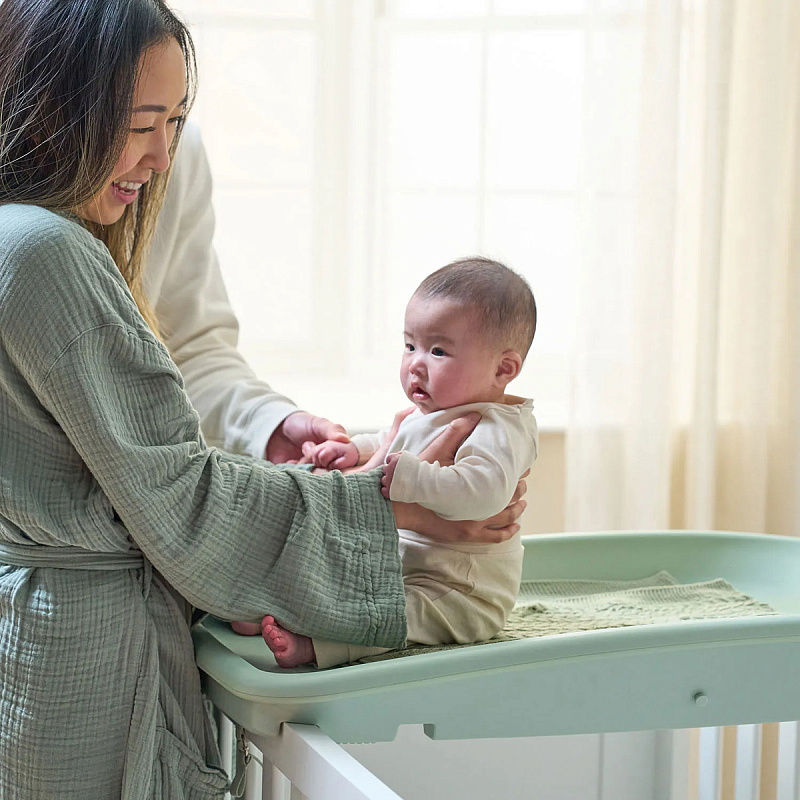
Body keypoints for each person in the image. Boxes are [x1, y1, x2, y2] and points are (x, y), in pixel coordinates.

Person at [0, 2, 525, 798]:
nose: (163, 156)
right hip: (88, 662)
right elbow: (179, 498)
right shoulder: (48, 252)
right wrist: (392, 506)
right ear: (52, 106)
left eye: (176, 122)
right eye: (142, 124)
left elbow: (186, 355)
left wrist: (270, 426)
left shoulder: (32, 236)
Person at [254, 257, 539, 668]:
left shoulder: (501, 426)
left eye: (438, 350)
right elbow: (394, 443)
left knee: (399, 615)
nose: (415, 363)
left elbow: (485, 493)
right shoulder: (437, 411)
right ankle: (271, 607)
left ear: (503, 368)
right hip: (404, 564)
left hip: (460, 590)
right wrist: (356, 452)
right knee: (350, 585)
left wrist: (414, 478)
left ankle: (318, 647)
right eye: (409, 346)